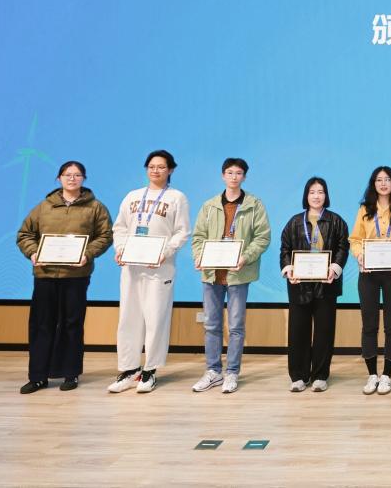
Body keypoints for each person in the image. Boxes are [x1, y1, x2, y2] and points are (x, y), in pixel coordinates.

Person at [15, 161, 113, 393]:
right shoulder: (44, 207)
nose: (72, 178)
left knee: (72, 324)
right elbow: (25, 234)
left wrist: (87, 254)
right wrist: (33, 252)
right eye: (67, 174)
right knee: (41, 324)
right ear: (59, 178)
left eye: (77, 175)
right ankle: (38, 377)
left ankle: (71, 374)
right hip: (45, 274)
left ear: (84, 179)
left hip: (76, 275)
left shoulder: (96, 207)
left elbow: (105, 236)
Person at [108, 150, 191, 394]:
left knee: (155, 318)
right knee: (128, 318)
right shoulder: (133, 196)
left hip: (160, 267)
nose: (156, 170)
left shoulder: (177, 198)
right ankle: (129, 369)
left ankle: (150, 370)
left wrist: (165, 252)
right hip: (132, 267)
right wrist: (120, 249)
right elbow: (120, 227)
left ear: (170, 170)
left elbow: (182, 232)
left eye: (161, 167)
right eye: (152, 166)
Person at [190, 158, 271, 394]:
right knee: (211, 325)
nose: (234, 177)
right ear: (223, 175)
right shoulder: (209, 206)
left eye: (238, 173)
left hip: (238, 274)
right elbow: (198, 237)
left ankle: (232, 372)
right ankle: (213, 371)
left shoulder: (254, 205)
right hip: (212, 274)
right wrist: (199, 256)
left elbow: (263, 237)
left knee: (236, 326)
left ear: (244, 176)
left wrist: (245, 257)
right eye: (229, 172)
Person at [349, 166, 391, 395]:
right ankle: (371, 375)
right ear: (373, 184)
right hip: (368, 274)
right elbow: (355, 239)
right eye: (379, 180)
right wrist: (360, 255)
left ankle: (387, 374)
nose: (383, 183)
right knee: (369, 324)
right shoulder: (364, 210)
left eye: (387, 179)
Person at [280, 177, 349, 393]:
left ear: (326, 195)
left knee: (324, 332)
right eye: (312, 192)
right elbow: (285, 248)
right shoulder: (294, 222)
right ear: (306, 196)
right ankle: (298, 376)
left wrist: (334, 268)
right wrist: (288, 269)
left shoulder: (336, 221)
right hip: (299, 285)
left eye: (320, 192)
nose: (316, 196)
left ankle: (320, 375)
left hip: (326, 285)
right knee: (297, 331)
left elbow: (343, 247)